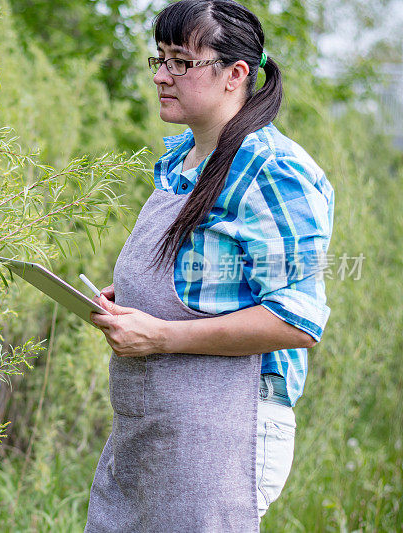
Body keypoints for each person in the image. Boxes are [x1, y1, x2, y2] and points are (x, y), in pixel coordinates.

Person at [85, 0, 335, 531]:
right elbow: (205, 280)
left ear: (235, 75)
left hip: (226, 427)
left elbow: (297, 320)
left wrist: (160, 336)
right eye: (159, 59)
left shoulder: (273, 168)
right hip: (156, 423)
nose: (161, 75)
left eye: (181, 61)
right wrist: (131, 302)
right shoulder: (182, 161)